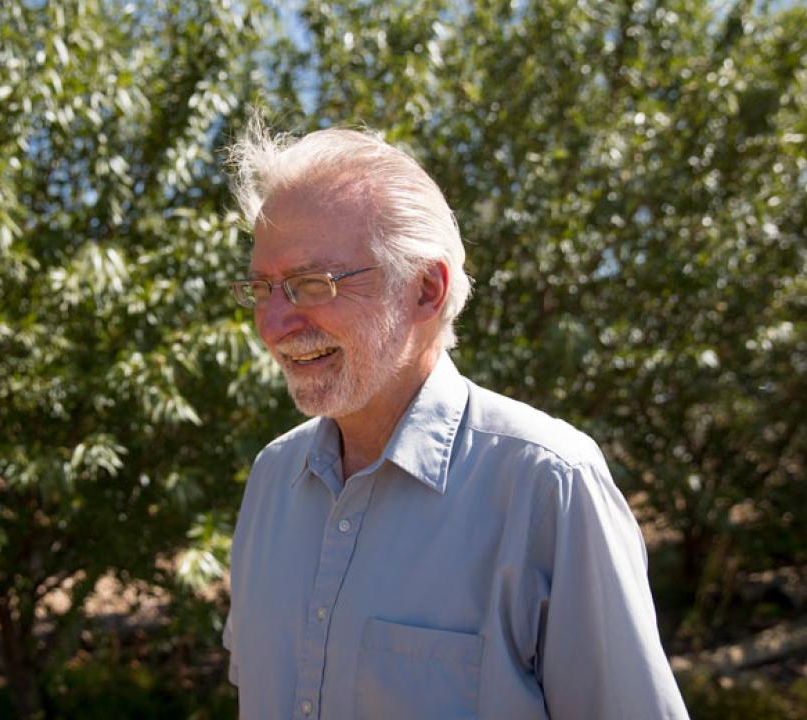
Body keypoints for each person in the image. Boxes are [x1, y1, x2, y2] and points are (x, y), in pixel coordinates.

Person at [221, 119, 688, 720]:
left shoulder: (547, 484)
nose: (275, 323)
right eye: (263, 289)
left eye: (314, 284)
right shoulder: (272, 479)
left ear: (424, 289)